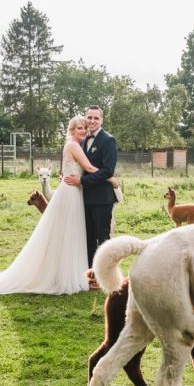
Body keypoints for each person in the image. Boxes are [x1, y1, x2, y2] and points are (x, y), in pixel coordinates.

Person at [0, 116, 112, 295]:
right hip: (71, 193)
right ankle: (65, 276)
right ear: (72, 130)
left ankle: (66, 273)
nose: (83, 131)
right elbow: (89, 168)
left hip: (72, 190)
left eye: (84, 128)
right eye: (79, 128)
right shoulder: (73, 145)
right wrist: (110, 177)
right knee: (69, 232)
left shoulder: (73, 145)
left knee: (70, 233)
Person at [63, 106, 118, 289]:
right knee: (87, 238)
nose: (92, 121)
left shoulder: (108, 140)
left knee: (103, 239)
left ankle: (107, 278)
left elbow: (108, 170)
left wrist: (82, 181)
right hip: (83, 198)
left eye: (96, 118)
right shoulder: (82, 140)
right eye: (89, 117)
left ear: (101, 120)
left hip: (102, 198)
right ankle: (91, 276)